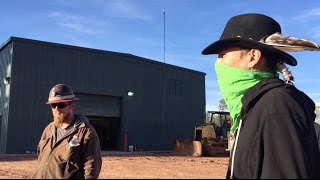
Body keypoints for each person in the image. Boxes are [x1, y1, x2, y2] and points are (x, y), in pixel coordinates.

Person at [202, 13, 320, 178]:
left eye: (222, 55)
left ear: (253, 57)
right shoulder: (253, 108)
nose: (218, 63)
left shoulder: (277, 106)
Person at [32, 84, 102, 179]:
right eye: (53, 105)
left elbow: (92, 167)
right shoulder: (48, 129)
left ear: (72, 106)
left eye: (61, 105)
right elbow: (41, 157)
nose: (56, 109)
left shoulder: (85, 132)